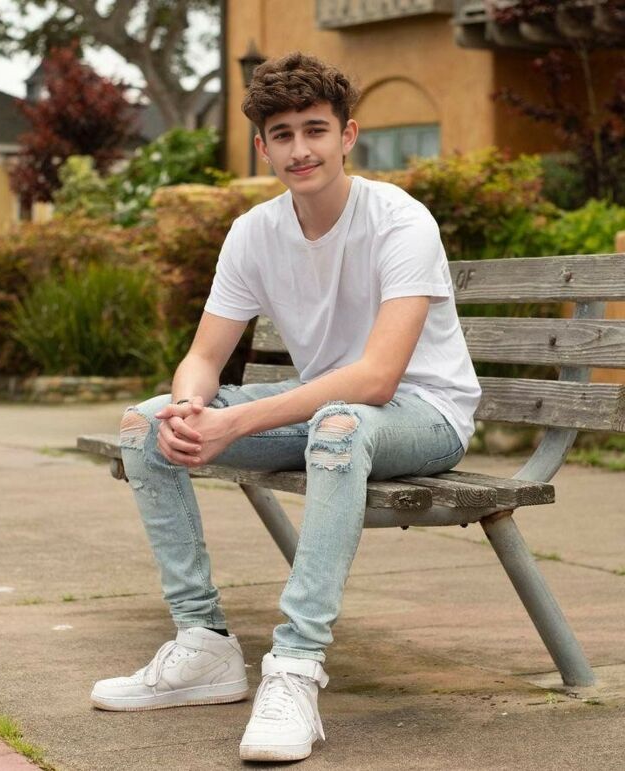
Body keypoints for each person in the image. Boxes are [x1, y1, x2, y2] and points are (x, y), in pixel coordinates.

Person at [90, 51, 481, 762]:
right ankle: (204, 643)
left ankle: (296, 666)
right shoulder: (254, 232)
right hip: (332, 409)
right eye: (283, 135)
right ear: (263, 147)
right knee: (146, 424)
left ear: (347, 135)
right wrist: (190, 409)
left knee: (339, 424)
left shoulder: (400, 221)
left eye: (315, 130)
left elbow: (377, 379)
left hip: (424, 413)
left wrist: (234, 421)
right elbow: (203, 358)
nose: (300, 149)